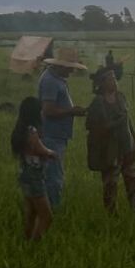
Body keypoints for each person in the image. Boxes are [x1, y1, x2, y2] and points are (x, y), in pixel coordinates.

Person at [86, 68, 135, 214]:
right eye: (110, 79)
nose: (114, 82)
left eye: (114, 79)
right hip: (110, 149)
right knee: (110, 183)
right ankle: (111, 214)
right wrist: (111, 125)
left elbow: (128, 120)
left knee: (133, 179)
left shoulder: (121, 97)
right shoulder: (98, 102)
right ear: (102, 83)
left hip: (127, 146)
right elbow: (91, 126)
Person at [38, 47, 88, 209]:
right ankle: (51, 212)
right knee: (54, 177)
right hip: (51, 136)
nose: (73, 70)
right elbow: (48, 110)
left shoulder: (57, 79)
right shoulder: (50, 81)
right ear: (62, 66)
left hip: (57, 135)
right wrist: (71, 111)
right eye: (71, 67)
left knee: (51, 174)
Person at [11, 97, 57, 241]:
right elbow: (38, 148)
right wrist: (51, 153)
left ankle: (26, 240)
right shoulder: (31, 130)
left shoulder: (21, 129)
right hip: (34, 177)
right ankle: (34, 245)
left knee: (31, 214)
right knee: (47, 217)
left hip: (25, 174)